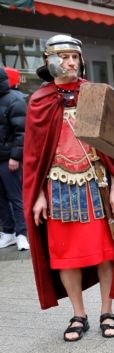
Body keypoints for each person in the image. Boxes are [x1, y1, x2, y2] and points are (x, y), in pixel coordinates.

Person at [22, 34, 114, 341]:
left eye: (75, 57)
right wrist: (37, 195)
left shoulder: (94, 95)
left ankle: (107, 311)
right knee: (65, 256)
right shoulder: (39, 101)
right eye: (64, 57)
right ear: (49, 61)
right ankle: (78, 314)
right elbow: (33, 156)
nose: (71, 63)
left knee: (105, 254)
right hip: (57, 189)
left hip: (97, 185)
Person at [0, 66, 28, 251]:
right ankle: (8, 232)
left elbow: (22, 132)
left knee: (16, 197)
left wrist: (15, 157)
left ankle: (22, 234)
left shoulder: (15, 100)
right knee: (1, 199)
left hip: (9, 159)